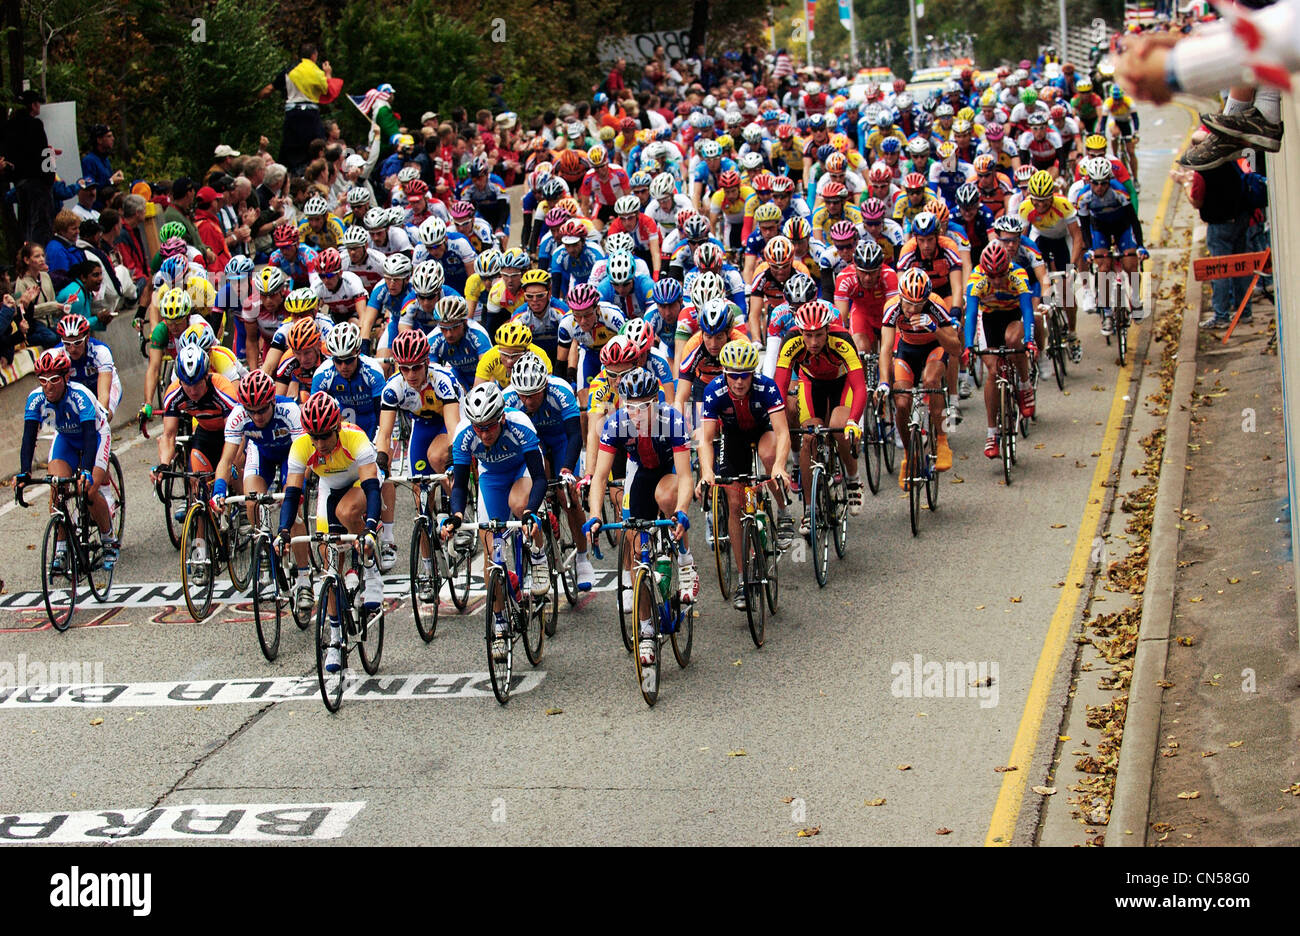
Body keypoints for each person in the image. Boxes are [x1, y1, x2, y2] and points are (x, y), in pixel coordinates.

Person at [583, 366, 697, 666]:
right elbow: (600, 477)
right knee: (634, 543)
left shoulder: (671, 419)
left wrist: (682, 512)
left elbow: (686, 477)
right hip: (641, 472)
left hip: (669, 471)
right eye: (630, 406)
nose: (637, 413)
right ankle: (646, 630)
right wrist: (595, 515)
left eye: (644, 406)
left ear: (655, 402)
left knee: (667, 497)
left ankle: (685, 562)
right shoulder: (616, 423)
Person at [277, 392, 385, 673]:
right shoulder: (302, 446)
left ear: (337, 427)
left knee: (347, 513)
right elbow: (292, 494)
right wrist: (282, 532)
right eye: (315, 437)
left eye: (325, 436)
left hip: (361, 484)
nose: (320, 444)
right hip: (330, 488)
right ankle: (336, 638)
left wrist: (371, 528)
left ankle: (371, 569)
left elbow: (372, 488)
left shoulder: (355, 437)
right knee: (328, 564)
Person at [443, 382, 551, 663]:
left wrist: (530, 513)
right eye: (479, 427)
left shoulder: (519, 423)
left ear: (502, 418)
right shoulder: (465, 435)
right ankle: (500, 621)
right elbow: (458, 485)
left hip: (522, 470)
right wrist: (456, 515)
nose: (484, 433)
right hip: (491, 476)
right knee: (493, 556)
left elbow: (540, 478)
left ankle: (538, 557)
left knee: (520, 505)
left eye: (490, 426)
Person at [694, 340, 794, 608]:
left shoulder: (766, 388)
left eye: (745, 375)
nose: (739, 381)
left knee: (769, 456)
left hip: (763, 432)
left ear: (753, 373)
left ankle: (783, 510)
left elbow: (783, 432)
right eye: (733, 375)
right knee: (735, 504)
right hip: (733, 437)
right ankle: (742, 579)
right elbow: (705, 439)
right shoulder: (715, 391)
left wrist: (780, 466)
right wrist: (706, 472)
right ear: (724, 373)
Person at [16, 350, 119, 569]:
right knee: (56, 491)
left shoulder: (79, 395)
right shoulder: (35, 399)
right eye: (43, 380)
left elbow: (91, 437)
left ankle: (108, 539)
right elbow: (28, 438)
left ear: (65, 378)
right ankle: (62, 548)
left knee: (88, 490)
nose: (48, 386)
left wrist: (86, 471)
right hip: (66, 439)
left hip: (96, 435)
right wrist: (25, 472)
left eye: (54, 379)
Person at [258, 43, 343, 173]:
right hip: (311, 115)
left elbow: (269, 89)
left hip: (292, 114)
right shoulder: (316, 71)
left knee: (289, 150)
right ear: (314, 56)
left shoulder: (289, 71)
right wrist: (328, 73)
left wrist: (255, 98)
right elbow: (329, 90)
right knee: (318, 148)